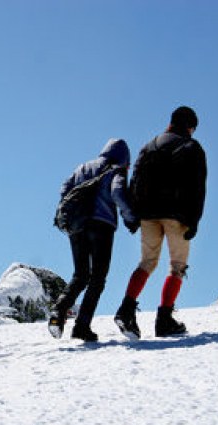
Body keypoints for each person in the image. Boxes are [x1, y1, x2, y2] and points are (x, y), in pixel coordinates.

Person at [114, 106, 207, 338]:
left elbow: (135, 181)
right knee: (177, 265)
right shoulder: (192, 147)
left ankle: (126, 309)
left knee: (146, 262)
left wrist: (135, 215)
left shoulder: (149, 146)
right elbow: (198, 188)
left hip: (147, 215)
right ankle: (164, 319)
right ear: (189, 126)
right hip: (177, 215)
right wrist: (194, 220)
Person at [49, 138, 138, 342]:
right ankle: (81, 326)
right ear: (124, 158)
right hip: (101, 225)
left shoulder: (82, 167)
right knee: (97, 278)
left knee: (80, 275)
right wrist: (131, 218)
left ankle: (59, 310)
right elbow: (117, 193)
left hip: (76, 226)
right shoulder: (116, 169)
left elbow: (65, 190)